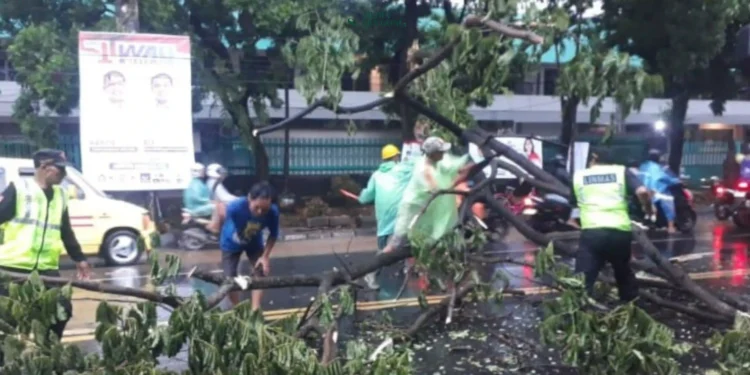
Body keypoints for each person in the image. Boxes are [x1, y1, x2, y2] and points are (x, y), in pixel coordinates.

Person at [0, 149, 92, 364]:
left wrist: (79, 258)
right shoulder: (19, 189)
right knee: (7, 321)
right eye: (59, 169)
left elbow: (65, 229)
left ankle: (48, 355)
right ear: (43, 167)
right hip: (13, 267)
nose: (63, 174)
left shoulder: (60, 194)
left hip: (46, 269)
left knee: (61, 311)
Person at [569, 149, 651, 301]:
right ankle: (629, 310)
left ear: (594, 158)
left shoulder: (579, 175)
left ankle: (576, 313)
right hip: (619, 232)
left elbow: (574, 202)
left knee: (583, 277)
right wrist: (648, 210)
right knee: (623, 273)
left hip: (592, 232)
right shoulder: (621, 172)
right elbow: (643, 191)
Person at [382, 136, 477, 254]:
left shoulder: (435, 161)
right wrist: (458, 182)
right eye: (441, 151)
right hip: (414, 207)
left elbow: (452, 167)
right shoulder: (424, 169)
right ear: (433, 153)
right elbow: (437, 189)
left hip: (428, 207)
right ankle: (379, 263)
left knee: (429, 239)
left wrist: (469, 167)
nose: (444, 153)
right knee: (397, 241)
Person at [350, 144, 405, 289]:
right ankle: (371, 274)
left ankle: (401, 269)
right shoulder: (402, 171)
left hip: (383, 221)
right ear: (395, 157)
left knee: (388, 249)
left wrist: (361, 198)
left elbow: (366, 196)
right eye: (398, 156)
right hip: (398, 218)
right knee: (389, 251)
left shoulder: (377, 175)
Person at [220, 181, 280, 309]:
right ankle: (238, 309)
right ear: (249, 199)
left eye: (264, 209)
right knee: (229, 278)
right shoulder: (234, 207)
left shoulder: (273, 212)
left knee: (261, 272)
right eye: (256, 207)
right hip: (231, 243)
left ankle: (255, 309)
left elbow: (273, 235)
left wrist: (265, 257)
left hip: (254, 243)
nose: (259, 212)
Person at [639, 149, 680, 233]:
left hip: (644, 190)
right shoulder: (659, 168)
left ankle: (649, 221)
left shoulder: (642, 166)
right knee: (669, 204)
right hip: (657, 192)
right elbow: (665, 178)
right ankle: (671, 227)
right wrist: (677, 181)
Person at [205, 163, 238, 233]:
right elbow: (224, 198)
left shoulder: (211, 182)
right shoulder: (215, 184)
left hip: (216, 203)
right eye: (220, 172)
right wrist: (238, 199)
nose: (223, 175)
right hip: (219, 205)